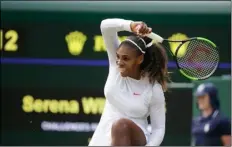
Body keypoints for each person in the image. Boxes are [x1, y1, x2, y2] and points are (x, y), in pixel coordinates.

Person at [88, 18, 169, 146]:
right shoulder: (115, 66)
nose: (119, 62)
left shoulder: (153, 88)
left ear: (139, 59)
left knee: (121, 125)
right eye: (118, 57)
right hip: (103, 138)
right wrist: (131, 25)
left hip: (136, 139)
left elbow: (158, 129)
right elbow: (105, 26)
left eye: (126, 58)